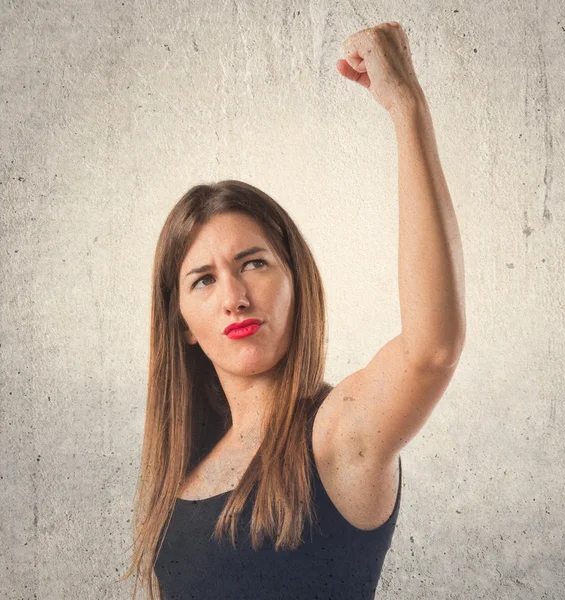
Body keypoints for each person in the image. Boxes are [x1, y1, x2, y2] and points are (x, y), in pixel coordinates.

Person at [121, 21, 465, 600]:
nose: (234, 295)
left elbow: (432, 349)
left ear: (296, 280)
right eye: (203, 280)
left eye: (254, 263)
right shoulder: (181, 479)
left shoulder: (337, 432)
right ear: (181, 323)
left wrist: (406, 108)